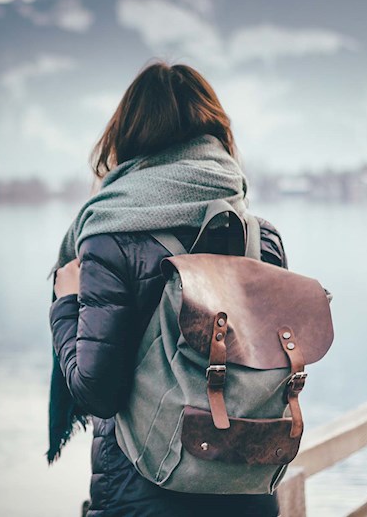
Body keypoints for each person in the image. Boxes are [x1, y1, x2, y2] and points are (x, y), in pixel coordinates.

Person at [48, 61, 287, 516]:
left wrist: (66, 303)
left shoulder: (110, 238)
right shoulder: (260, 239)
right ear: (215, 133)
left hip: (145, 493)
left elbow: (96, 390)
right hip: (248, 487)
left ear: (129, 136)